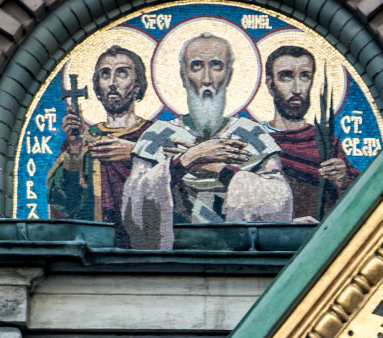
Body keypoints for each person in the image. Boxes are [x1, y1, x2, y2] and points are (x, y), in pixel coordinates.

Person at [122, 33, 291, 249]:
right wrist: (186, 160)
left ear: (229, 75)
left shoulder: (253, 136)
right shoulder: (159, 136)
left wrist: (223, 170)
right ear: (183, 76)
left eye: (217, 66)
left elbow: (280, 202)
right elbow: (133, 204)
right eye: (197, 66)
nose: (207, 79)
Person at [47, 46, 153, 236]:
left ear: (137, 84)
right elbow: (65, 205)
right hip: (97, 245)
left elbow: (177, 183)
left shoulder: (156, 133)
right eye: (105, 75)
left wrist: (137, 152)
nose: (112, 83)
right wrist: (75, 150)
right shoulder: (84, 138)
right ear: (97, 87)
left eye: (122, 73)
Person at [264, 45, 357, 222]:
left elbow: (359, 203)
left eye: (305, 76)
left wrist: (342, 182)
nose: (297, 88)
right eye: (286, 77)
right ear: (270, 84)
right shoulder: (254, 139)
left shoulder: (326, 142)